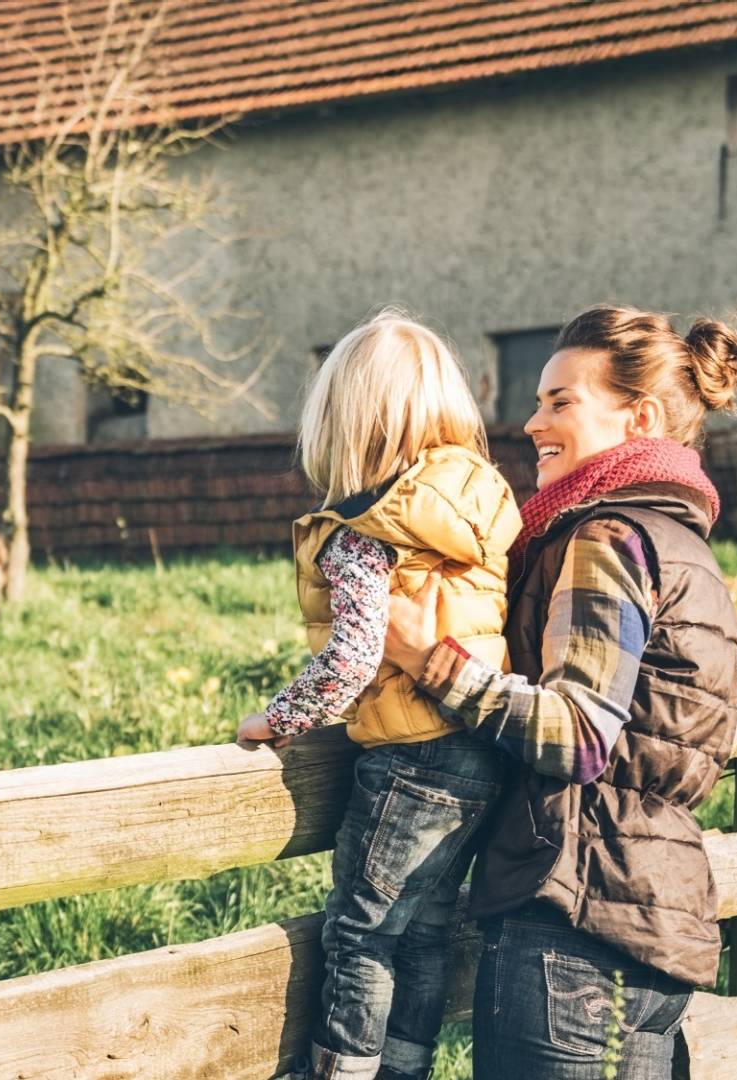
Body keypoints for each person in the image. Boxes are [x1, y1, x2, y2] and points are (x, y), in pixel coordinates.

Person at [382, 305, 737, 1079]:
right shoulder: (680, 541)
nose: (530, 422)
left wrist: (433, 662)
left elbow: (580, 735)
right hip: (647, 919)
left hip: (575, 927)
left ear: (640, 417)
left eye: (561, 402)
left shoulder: (607, 537)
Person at [238, 309, 520, 1080]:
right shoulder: (477, 500)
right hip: (482, 743)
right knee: (424, 930)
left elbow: (355, 653)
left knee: (361, 934)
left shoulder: (369, 527)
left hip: (407, 759)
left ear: (344, 421)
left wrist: (279, 718)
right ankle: (404, 1069)